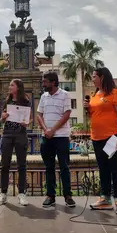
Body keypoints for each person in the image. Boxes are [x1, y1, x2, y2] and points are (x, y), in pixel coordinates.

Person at [84, 67, 117, 215]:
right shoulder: (95, 95)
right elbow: (95, 115)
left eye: (94, 76)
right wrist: (88, 109)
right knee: (103, 169)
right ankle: (105, 199)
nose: (92, 79)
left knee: (115, 169)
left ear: (102, 77)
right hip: (97, 138)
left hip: (112, 137)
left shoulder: (115, 93)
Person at [36, 71, 75, 208]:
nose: (43, 84)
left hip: (61, 137)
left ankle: (68, 195)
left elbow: (66, 114)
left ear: (53, 82)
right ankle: (50, 195)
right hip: (47, 137)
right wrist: (46, 129)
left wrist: (53, 130)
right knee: (49, 167)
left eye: (45, 82)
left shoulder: (64, 95)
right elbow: (39, 114)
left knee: (64, 167)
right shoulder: (43, 97)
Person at [0, 79, 32, 206]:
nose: (9, 87)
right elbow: (2, 119)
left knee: (22, 165)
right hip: (7, 134)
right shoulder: (7, 101)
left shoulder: (26, 102)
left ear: (18, 87)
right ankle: (3, 194)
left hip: (21, 134)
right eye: (9, 85)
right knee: (5, 164)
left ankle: (22, 193)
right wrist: (2, 118)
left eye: (12, 85)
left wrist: (27, 122)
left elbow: (29, 119)